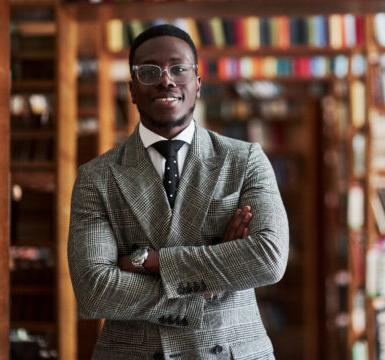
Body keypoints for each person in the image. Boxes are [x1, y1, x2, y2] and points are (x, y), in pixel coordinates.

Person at [68, 24, 288, 360]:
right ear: (131, 88)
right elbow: (94, 289)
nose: (166, 79)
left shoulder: (245, 160)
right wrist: (214, 280)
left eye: (178, 68)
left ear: (197, 83)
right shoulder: (96, 177)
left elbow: (268, 258)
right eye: (150, 71)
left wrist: (148, 262)